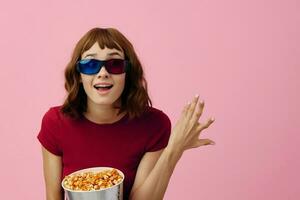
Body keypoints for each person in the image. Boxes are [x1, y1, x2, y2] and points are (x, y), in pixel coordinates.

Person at [37, 27, 216, 200]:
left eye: (115, 64)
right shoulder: (55, 123)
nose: (103, 73)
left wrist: (174, 149)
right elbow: (53, 197)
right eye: (91, 65)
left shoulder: (154, 125)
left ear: (127, 73)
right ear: (79, 76)